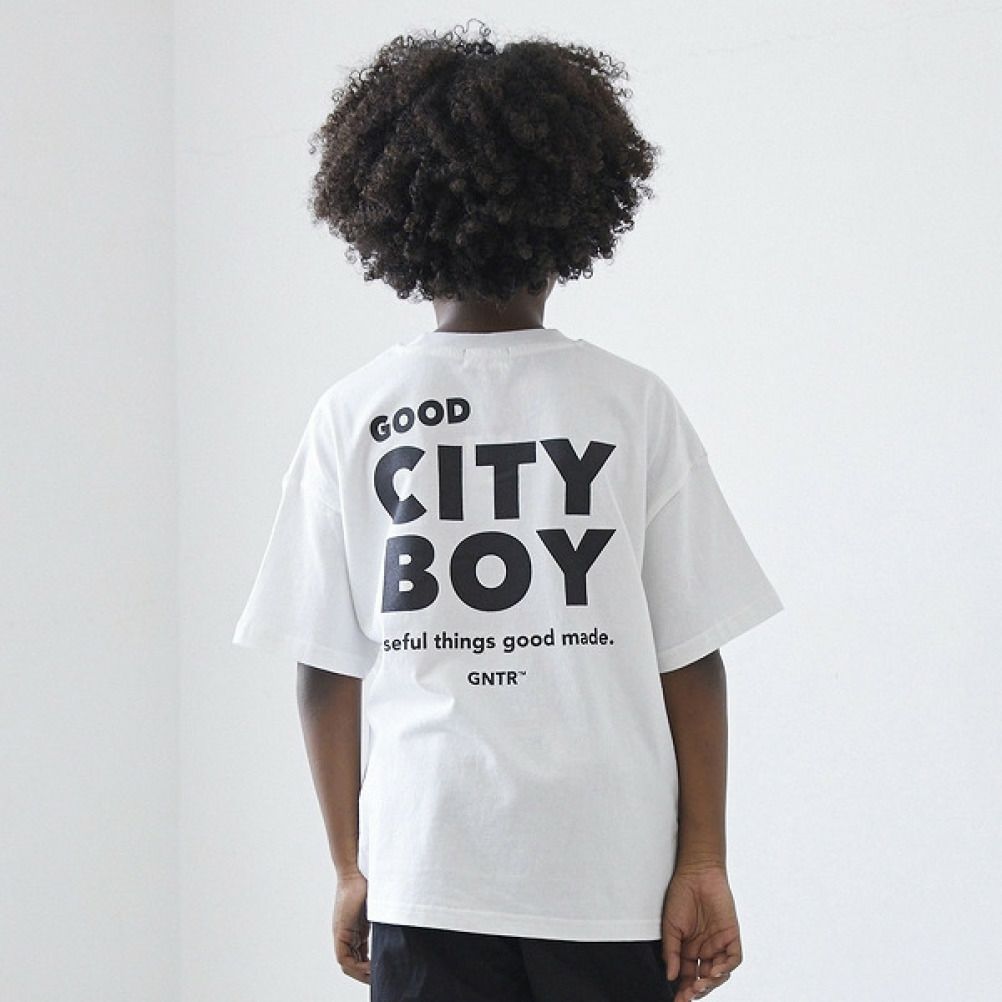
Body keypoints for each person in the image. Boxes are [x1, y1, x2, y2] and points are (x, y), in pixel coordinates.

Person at [232, 20, 783, 1002]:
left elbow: (324, 669)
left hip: (427, 866)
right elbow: (690, 654)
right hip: (608, 876)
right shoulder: (629, 403)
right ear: (573, 214)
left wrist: (351, 865)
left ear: (394, 217)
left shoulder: (354, 414)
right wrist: (703, 858)